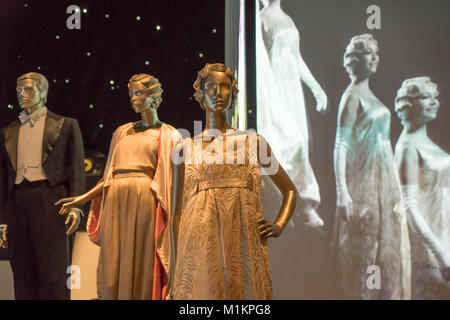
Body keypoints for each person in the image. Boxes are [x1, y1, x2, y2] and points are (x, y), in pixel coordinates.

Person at [170, 63, 297, 299]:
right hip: (199, 248)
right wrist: (174, 273)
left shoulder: (253, 142)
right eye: (211, 87)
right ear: (200, 93)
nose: (218, 93)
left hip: (244, 245)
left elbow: (290, 190)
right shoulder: (184, 149)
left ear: (233, 93)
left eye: (225, 86)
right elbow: (176, 215)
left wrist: (278, 225)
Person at [57, 74, 181, 300]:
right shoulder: (121, 131)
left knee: (143, 257)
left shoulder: (169, 135)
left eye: (139, 93)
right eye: (131, 94)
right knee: (114, 258)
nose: (133, 98)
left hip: (145, 199)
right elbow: (108, 177)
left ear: (153, 96)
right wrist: (82, 198)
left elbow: (171, 182)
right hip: (115, 201)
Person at [332, 34, 410, 299]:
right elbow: (341, 145)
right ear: (355, 58)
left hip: (384, 186)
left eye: (376, 52)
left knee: (386, 252)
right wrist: (343, 192)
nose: (375, 57)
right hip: (363, 187)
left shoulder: (370, 96)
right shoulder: (352, 97)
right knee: (364, 254)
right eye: (368, 52)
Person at [0, 72, 85, 299]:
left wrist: (76, 205)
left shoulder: (65, 125)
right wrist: (3, 219)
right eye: (19, 90)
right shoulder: (8, 132)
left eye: (28, 89)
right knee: (22, 269)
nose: (21, 94)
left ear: (43, 92)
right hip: (18, 200)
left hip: (51, 198)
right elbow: (2, 179)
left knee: (54, 270)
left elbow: (75, 166)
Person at [257, 0, 327, 227]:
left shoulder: (287, 19)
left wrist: (316, 89)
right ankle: (286, 201)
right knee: (286, 141)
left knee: (301, 141)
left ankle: (303, 203)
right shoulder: (261, 20)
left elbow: (296, 58)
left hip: (292, 91)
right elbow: (261, 64)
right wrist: (269, 97)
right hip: (274, 88)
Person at [394, 77, 450, 299]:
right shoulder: (407, 147)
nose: (434, 102)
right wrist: (440, 254)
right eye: (425, 97)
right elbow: (409, 206)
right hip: (430, 242)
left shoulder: (427, 143)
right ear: (408, 104)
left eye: (434, 97)